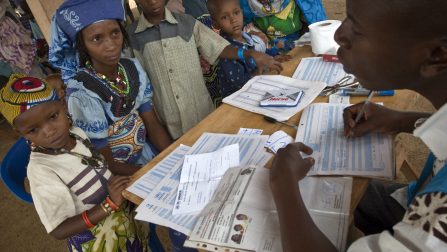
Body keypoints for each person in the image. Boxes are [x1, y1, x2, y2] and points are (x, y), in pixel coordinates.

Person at [270, 0, 447, 251]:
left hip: (420, 215)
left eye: (358, 28)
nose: (339, 35)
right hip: (411, 200)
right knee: (349, 191)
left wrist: (284, 186)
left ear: (436, 56)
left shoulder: (440, 217)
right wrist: (400, 120)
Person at [0, 74, 151, 251]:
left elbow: (100, 166)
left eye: (53, 117)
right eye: (34, 130)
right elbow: (58, 230)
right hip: (99, 243)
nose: (49, 131)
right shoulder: (41, 170)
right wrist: (109, 205)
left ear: (63, 106)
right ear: (21, 133)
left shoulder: (77, 133)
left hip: (125, 225)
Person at [128, 0, 283, 140]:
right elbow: (140, 88)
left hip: (203, 116)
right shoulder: (132, 36)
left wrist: (249, 53)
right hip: (169, 125)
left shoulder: (187, 23)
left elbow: (219, 47)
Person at [49, 0, 172, 176]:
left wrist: (172, 155)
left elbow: (151, 122)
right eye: (97, 38)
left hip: (146, 154)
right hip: (120, 173)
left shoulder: (132, 68)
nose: (111, 45)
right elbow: (105, 161)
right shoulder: (83, 93)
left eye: (115, 33)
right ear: (83, 45)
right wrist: (152, 173)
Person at [207, 0, 291, 98]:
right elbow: (242, 84)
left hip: (257, 89)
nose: (233, 19)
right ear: (216, 24)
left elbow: (259, 54)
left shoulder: (246, 37)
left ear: (242, 12)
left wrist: (273, 57)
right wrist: (264, 68)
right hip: (238, 100)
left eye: (236, 13)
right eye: (225, 17)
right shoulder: (227, 51)